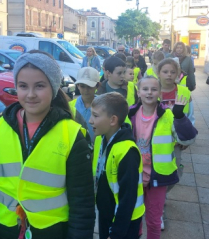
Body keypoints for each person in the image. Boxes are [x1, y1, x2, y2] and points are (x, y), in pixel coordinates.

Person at [0, 50, 95, 239]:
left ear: (53, 88)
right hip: (3, 230)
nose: (31, 94)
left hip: (51, 231)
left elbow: (82, 203)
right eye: (23, 86)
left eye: (39, 86)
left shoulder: (72, 134)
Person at [128, 76, 197, 239]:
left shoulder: (168, 115)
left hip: (157, 177)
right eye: (145, 89)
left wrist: (180, 117)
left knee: (153, 220)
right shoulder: (129, 113)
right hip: (133, 176)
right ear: (138, 92)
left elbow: (188, 139)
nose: (149, 92)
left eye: (153, 89)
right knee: (134, 218)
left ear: (160, 92)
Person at [90, 92, 145, 239]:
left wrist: (116, 233)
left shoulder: (127, 151)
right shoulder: (99, 139)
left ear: (113, 120)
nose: (90, 121)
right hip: (106, 211)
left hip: (125, 220)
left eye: (95, 116)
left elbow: (128, 197)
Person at [69, 67, 99, 143]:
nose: (86, 90)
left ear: (97, 86)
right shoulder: (70, 106)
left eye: (89, 86)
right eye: (82, 86)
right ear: (78, 86)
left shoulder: (104, 106)